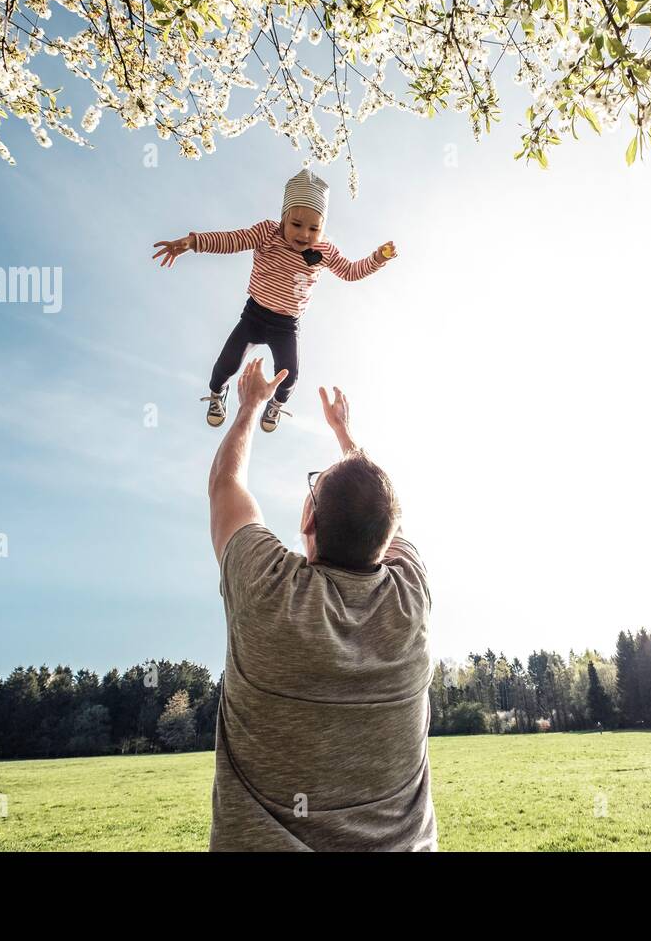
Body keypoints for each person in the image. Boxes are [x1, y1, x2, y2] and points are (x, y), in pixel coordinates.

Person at [206, 358, 437, 850]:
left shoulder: (268, 589)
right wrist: (346, 436)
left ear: (308, 522)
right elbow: (384, 513)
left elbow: (227, 486)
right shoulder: (410, 599)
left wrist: (249, 408)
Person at [152, 168, 396, 432]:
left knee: (289, 375)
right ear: (283, 219)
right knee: (227, 363)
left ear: (323, 228)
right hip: (254, 317)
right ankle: (217, 393)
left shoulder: (324, 251)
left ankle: (275, 405)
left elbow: (349, 271)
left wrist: (377, 259)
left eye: (314, 228)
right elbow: (232, 240)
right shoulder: (267, 233)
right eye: (296, 225)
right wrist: (193, 242)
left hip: (287, 325)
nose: (304, 234)